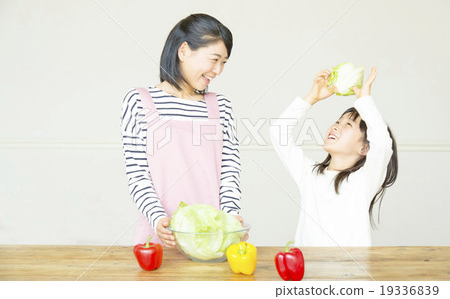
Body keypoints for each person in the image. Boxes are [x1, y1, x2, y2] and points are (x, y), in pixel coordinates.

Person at [121, 14, 243, 248]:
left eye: (224, 62)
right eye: (214, 59)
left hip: (213, 239)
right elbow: (137, 174)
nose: (218, 70)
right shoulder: (138, 101)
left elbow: (230, 171)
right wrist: (158, 219)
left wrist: (230, 219)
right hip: (161, 237)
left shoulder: (221, 106)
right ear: (184, 51)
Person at [270, 67, 398, 246]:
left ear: (364, 148)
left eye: (348, 125)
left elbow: (383, 144)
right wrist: (311, 98)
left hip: (350, 273)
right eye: (338, 121)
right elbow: (278, 133)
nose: (336, 126)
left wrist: (364, 101)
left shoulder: (363, 181)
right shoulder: (310, 174)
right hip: (310, 272)